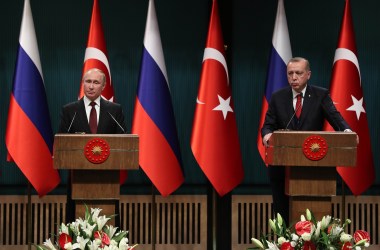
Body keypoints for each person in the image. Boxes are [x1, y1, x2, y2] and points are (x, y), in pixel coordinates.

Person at [261, 57, 354, 224]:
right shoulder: (278, 97)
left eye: (298, 73)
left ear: (308, 74)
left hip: (314, 170)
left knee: (312, 218)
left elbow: (336, 118)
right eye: (290, 73)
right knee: (282, 215)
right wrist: (267, 135)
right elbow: (267, 126)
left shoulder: (320, 95)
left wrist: (348, 131)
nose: (294, 77)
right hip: (282, 169)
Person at [58, 68, 127, 223]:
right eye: (88, 81)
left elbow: (123, 143)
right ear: (82, 83)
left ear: (103, 86)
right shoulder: (70, 110)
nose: (91, 86)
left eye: (96, 82)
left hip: (108, 180)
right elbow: (62, 144)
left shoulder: (114, 110)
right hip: (78, 179)